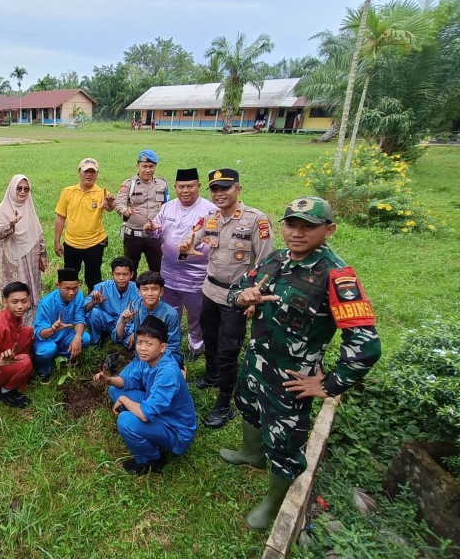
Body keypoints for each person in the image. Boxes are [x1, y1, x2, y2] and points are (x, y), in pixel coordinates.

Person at [222, 196, 381, 530]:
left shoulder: (337, 276)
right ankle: (251, 455)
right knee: (248, 407)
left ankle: (273, 503)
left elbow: (365, 345)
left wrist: (327, 385)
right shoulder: (276, 260)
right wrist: (243, 297)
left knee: (284, 442)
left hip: (292, 378)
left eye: (308, 227)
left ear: (329, 230)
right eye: (291, 224)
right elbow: (236, 289)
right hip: (257, 361)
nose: (297, 233)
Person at [179, 168, 274, 429]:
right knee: (209, 337)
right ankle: (211, 376)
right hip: (209, 291)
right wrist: (187, 246)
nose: (219, 194)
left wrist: (254, 297)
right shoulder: (210, 217)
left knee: (228, 349)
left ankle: (224, 404)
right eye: (215, 189)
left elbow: (266, 264)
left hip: (237, 297)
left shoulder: (257, 221)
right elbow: (193, 240)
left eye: (225, 188)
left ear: (238, 189)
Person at [94, 315, 197, 475]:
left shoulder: (167, 373)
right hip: (158, 410)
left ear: (163, 347)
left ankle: (151, 459)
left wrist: (124, 400)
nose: (142, 348)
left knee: (125, 420)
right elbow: (130, 381)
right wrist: (108, 380)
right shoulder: (147, 360)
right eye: (140, 342)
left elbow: (145, 414)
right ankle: (143, 434)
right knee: (114, 389)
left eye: (149, 344)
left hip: (175, 430)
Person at [145, 168, 216, 361]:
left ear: (199, 186)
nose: (186, 190)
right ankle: (171, 345)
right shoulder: (168, 207)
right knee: (170, 310)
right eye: (181, 187)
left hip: (196, 274)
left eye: (190, 186)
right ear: (175, 187)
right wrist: (150, 229)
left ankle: (196, 345)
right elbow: (158, 231)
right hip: (169, 271)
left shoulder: (210, 210)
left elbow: (216, 239)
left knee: (195, 313)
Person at [0, 174, 48, 326]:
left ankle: (32, 326)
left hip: (31, 257)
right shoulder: (3, 210)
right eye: (19, 188)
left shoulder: (29, 207)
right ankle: (13, 326)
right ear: (12, 189)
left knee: (32, 289)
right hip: (14, 261)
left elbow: (38, 233)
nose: (22, 192)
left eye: (26, 189)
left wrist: (43, 254)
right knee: (16, 291)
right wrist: (10, 225)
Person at [54, 158, 115, 292]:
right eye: (86, 171)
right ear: (79, 172)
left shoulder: (102, 193)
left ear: (97, 175)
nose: (89, 175)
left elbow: (110, 207)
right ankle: (69, 306)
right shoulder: (68, 192)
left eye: (93, 172)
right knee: (69, 279)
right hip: (71, 244)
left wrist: (110, 202)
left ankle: (93, 308)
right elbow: (60, 218)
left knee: (93, 280)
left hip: (94, 244)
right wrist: (57, 241)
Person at [115, 149, 169, 277]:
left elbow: (168, 206)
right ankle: (131, 296)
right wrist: (125, 210)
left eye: (151, 166)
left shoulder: (162, 184)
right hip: (133, 235)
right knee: (130, 272)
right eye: (144, 166)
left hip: (154, 236)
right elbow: (119, 202)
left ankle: (156, 295)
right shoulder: (129, 184)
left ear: (156, 166)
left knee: (158, 271)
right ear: (137, 166)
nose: (148, 170)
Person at [32, 268, 92, 383]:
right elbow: (39, 332)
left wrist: (78, 336)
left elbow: (79, 318)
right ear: (58, 285)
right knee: (47, 350)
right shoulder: (46, 303)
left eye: (75, 288)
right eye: (67, 288)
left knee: (85, 338)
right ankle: (44, 370)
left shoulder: (78, 295)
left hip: (64, 335)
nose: (71, 292)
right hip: (47, 339)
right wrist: (53, 329)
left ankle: (63, 357)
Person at [115, 271, 183, 368]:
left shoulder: (170, 314)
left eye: (154, 289)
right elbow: (118, 337)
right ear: (139, 292)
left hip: (164, 356)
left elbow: (174, 345)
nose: (150, 293)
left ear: (161, 291)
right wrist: (123, 322)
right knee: (123, 380)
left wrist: (153, 358)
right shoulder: (134, 307)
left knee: (165, 377)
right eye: (145, 289)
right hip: (141, 357)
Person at [83, 256, 140, 350]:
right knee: (93, 313)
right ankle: (97, 340)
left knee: (132, 344)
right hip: (107, 320)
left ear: (132, 274)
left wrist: (136, 331)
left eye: (125, 274)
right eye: (117, 274)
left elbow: (145, 312)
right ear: (112, 274)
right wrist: (93, 302)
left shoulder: (138, 290)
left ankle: (123, 339)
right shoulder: (102, 287)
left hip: (127, 324)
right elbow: (84, 308)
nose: (121, 278)